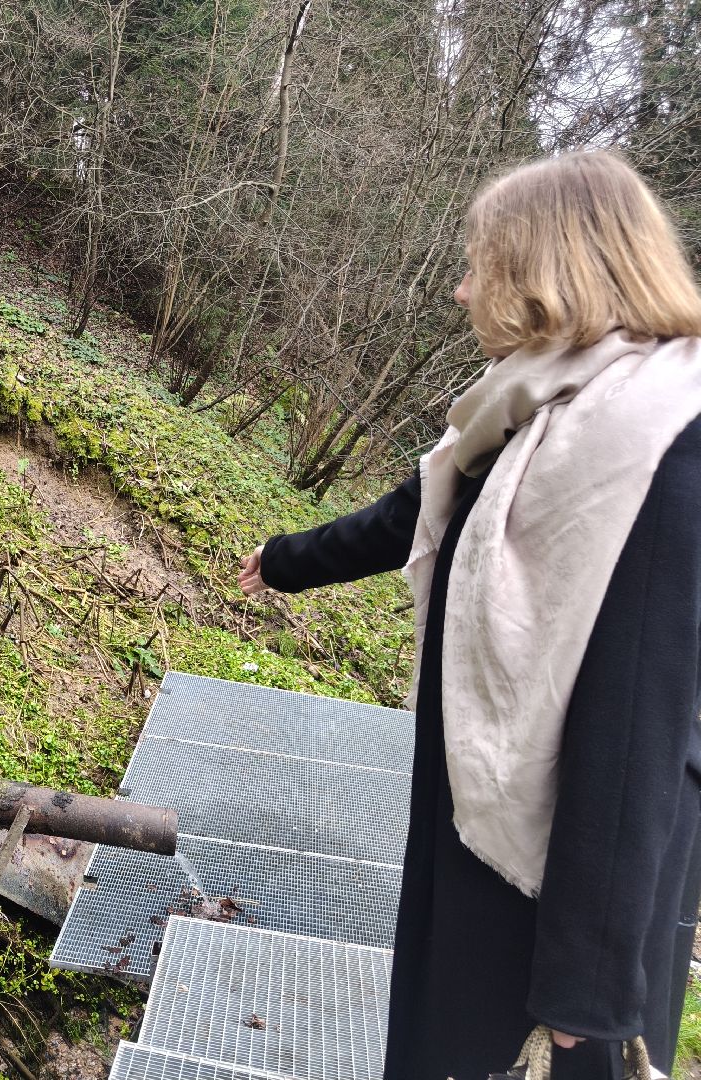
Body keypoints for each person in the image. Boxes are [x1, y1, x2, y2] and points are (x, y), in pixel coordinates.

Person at [238, 150, 701, 1080]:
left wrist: (587, 982)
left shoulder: (658, 440)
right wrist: (285, 561)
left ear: (544, 271)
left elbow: (640, 721)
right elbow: (418, 514)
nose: (460, 290)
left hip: (564, 884)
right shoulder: (535, 406)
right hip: (479, 819)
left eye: (478, 265)